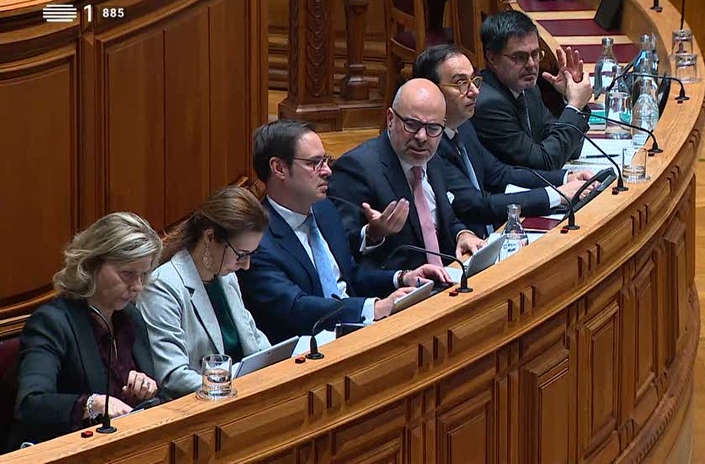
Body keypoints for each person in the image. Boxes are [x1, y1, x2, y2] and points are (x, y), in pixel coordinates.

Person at [238, 120, 451, 344]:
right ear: (279, 168)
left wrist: (402, 277)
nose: (327, 171)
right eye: (314, 163)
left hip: (356, 332)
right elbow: (296, 307)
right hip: (311, 350)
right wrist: (373, 307)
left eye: (325, 160)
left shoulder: (324, 209)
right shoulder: (257, 241)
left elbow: (350, 275)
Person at [412, 44, 599, 238]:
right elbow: (475, 205)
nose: (474, 91)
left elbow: (500, 174)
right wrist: (558, 194)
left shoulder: (463, 126)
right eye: (461, 83)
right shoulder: (429, 144)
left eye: (473, 80)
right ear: (430, 91)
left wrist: (565, 178)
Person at [11, 213, 163, 449]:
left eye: (143, 275)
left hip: (127, 443)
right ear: (92, 265)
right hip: (69, 449)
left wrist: (143, 389)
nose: (137, 286)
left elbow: (139, 398)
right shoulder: (52, 323)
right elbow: (31, 404)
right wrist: (92, 404)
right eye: (127, 274)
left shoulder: (130, 317)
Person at [327, 78, 486, 270]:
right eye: (411, 124)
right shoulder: (355, 168)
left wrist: (462, 234)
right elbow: (339, 248)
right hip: (400, 284)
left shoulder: (432, 158)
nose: (422, 137)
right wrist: (372, 234)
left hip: (448, 276)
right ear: (390, 119)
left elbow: (444, 217)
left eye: (433, 128)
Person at [136, 187, 272, 399]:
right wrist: (232, 388)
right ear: (210, 237)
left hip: (245, 395)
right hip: (202, 406)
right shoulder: (162, 287)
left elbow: (254, 340)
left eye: (251, 254)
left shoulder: (227, 277)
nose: (246, 265)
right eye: (241, 255)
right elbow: (173, 376)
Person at [471, 10, 593, 171]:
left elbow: (569, 150)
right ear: (492, 58)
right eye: (519, 57)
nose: (531, 64)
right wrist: (575, 105)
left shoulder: (528, 89)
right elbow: (543, 165)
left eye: (535, 54)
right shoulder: (488, 104)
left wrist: (569, 97)